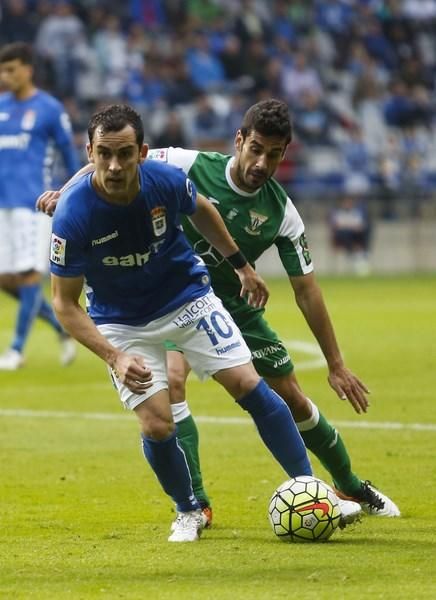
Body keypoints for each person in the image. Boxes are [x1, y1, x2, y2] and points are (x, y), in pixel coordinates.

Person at [48, 103, 362, 543]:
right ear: (90, 153)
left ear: (142, 151)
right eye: (104, 154)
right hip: (122, 323)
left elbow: (202, 211)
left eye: (124, 154)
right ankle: (188, 510)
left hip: (186, 298)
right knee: (157, 424)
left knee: (251, 385)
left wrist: (241, 265)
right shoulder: (73, 215)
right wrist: (114, 356)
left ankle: (312, 489)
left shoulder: (167, 181)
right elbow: (64, 304)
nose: (114, 165)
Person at [145, 99, 400, 520]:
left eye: (275, 154)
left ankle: (351, 487)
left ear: (285, 154)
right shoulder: (187, 164)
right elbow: (125, 159)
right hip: (179, 300)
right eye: (256, 148)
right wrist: (68, 191)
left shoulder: (281, 211)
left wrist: (336, 364)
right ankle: (197, 505)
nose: (263, 162)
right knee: (173, 379)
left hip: (237, 310)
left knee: (294, 400)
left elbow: (307, 290)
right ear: (239, 141)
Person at [0, 42, 79, 370]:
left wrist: (72, 193)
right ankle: (60, 327)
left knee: (31, 275)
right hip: (2, 203)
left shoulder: (48, 108)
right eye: (2, 71)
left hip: (33, 203)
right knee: (6, 278)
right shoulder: (1, 107)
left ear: (28, 69)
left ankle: (16, 350)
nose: (5, 76)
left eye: (11, 70)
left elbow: (69, 154)